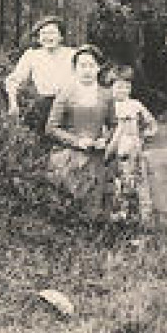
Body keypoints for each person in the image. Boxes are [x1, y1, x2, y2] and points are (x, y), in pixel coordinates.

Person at [44, 45, 115, 218]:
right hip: (68, 157)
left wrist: (105, 139)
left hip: (97, 156)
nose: (87, 70)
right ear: (75, 69)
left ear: (98, 68)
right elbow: (51, 128)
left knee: (96, 209)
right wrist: (77, 141)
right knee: (68, 209)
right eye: (82, 66)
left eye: (91, 65)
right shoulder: (65, 93)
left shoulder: (107, 95)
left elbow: (114, 124)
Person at [103, 64, 159, 223]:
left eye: (127, 87)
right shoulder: (108, 105)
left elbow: (152, 124)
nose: (123, 91)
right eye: (119, 87)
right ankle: (119, 217)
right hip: (114, 150)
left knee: (137, 182)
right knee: (116, 184)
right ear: (110, 86)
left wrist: (141, 137)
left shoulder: (135, 105)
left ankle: (141, 219)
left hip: (133, 150)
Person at [4, 16, 77, 133]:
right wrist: (13, 103)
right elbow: (14, 80)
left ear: (61, 36)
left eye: (52, 33)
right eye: (43, 33)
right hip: (45, 106)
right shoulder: (32, 55)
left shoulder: (73, 54)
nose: (48, 37)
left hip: (72, 105)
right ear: (38, 38)